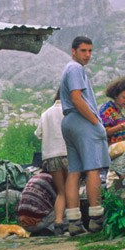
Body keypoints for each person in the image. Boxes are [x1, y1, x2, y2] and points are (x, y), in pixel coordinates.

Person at [59, 35, 109, 236]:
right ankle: (96, 220)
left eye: (90, 51)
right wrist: (95, 121)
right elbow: (76, 97)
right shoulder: (75, 69)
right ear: (73, 51)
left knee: (74, 171)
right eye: (83, 51)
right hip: (82, 121)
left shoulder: (68, 69)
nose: (87, 55)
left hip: (68, 121)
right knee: (93, 169)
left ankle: (73, 222)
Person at [34, 93, 68, 234]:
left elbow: (38, 134)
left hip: (51, 156)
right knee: (72, 189)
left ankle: (58, 223)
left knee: (61, 192)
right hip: (68, 153)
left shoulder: (45, 113)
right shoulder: (69, 110)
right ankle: (75, 223)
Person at [17, 162, 58, 236]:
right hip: (36, 223)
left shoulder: (34, 177)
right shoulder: (51, 179)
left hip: (23, 223)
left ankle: (36, 232)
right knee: (67, 207)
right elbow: (58, 200)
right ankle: (50, 230)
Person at [98, 76, 125, 146]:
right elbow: (102, 132)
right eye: (124, 97)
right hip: (115, 148)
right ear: (115, 95)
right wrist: (118, 127)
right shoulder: (106, 110)